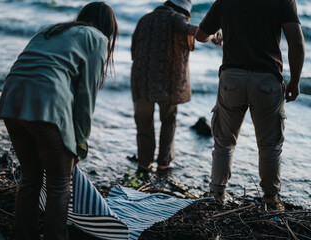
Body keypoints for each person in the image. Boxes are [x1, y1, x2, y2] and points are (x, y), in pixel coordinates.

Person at [0, 2, 118, 239]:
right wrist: (80, 144)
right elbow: (85, 97)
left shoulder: (52, 30)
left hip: (11, 98)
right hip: (45, 101)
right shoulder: (97, 39)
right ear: (108, 28)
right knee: (59, 184)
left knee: (30, 178)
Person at [195, 0, 305, 210]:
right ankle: (270, 198)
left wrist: (214, 36)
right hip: (267, 79)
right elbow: (297, 43)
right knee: (270, 146)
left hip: (232, 78)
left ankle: (217, 194)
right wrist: (295, 81)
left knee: (224, 142)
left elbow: (200, 35)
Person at [131, 0, 221, 173]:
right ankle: (164, 162)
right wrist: (213, 36)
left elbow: (134, 50)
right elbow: (196, 32)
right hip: (167, 81)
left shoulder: (145, 19)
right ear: (184, 11)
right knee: (168, 119)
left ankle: (144, 163)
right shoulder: (177, 18)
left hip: (140, 79)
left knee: (143, 124)